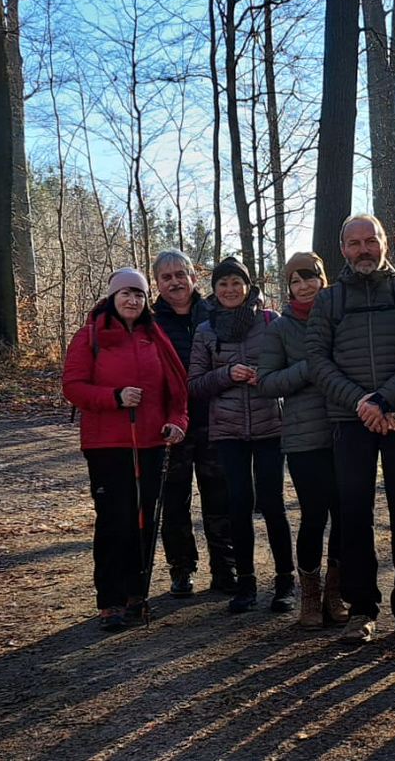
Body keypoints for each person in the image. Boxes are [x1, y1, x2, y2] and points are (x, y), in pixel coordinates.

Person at [307, 215, 395, 644]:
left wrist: (384, 398)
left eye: (370, 241)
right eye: (354, 243)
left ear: (385, 243)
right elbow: (317, 361)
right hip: (351, 420)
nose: (363, 249)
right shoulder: (328, 300)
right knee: (353, 514)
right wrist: (361, 403)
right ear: (342, 249)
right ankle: (361, 609)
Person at [62, 267, 188, 631]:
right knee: (115, 522)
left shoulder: (155, 335)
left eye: (138, 295)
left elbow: (177, 392)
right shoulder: (89, 335)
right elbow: (73, 386)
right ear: (112, 298)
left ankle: (137, 593)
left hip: (151, 443)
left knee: (144, 521)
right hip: (107, 445)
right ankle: (111, 601)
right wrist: (114, 397)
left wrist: (177, 423)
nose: (132, 300)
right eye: (125, 294)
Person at [187, 256, 295, 614]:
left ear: (248, 287)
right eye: (223, 284)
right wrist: (226, 374)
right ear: (214, 290)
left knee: (273, 503)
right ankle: (246, 584)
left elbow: (290, 369)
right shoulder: (205, 330)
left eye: (237, 282)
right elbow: (194, 384)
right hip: (227, 431)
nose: (230, 289)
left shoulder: (271, 321)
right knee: (238, 504)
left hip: (270, 426)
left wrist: (265, 377)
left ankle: (285, 582)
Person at [258, 252, 348, 630]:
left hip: (344, 430)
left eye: (309, 277)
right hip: (303, 436)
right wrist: (311, 366)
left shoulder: (340, 318)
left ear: (322, 279)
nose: (303, 286)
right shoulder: (279, 329)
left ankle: (334, 593)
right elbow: (267, 382)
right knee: (314, 514)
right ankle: (309, 595)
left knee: (345, 514)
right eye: (295, 281)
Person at [151, 249, 237, 597]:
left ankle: (225, 568)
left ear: (193, 277)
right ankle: (182, 569)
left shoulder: (216, 313)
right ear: (157, 283)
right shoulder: (150, 322)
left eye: (180, 275)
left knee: (220, 498)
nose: (175, 282)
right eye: (166, 277)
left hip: (215, 421)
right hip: (170, 427)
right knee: (174, 501)